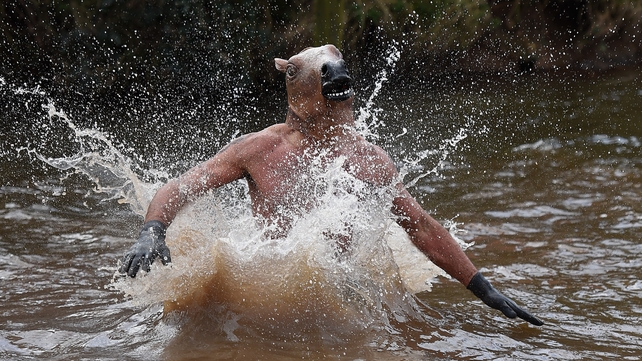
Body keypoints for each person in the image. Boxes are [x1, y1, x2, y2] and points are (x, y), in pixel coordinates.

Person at [119, 44, 543, 326]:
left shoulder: (369, 160)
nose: (342, 107)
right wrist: (152, 230)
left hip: (343, 290)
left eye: (343, 95)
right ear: (305, 95)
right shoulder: (258, 149)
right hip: (269, 288)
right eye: (331, 95)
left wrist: (484, 290)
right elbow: (184, 185)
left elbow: (421, 227)